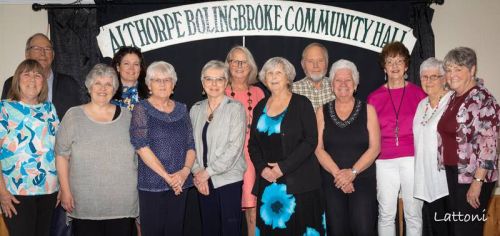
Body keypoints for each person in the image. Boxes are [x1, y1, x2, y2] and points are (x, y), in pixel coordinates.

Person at [55, 64, 138, 236]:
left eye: (108, 84)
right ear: (89, 87)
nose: (103, 88)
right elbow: (61, 155)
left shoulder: (129, 117)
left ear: (114, 89)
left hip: (122, 202)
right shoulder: (73, 116)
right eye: (98, 83)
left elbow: (139, 156)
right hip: (84, 202)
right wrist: (65, 190)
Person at [249, 57, 324, 235]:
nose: (273, 77)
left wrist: (282, 168)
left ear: (288, 77)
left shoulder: (302, 103)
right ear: (265, 79)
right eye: (269, 73)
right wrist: (262, 169)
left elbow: (310, 140)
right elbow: (253, 145)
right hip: (269, 184)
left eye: (278, 73)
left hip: (300, 184)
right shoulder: (260, 107)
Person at [437, 47, 499, 236]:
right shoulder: (453, 99)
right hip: (452, 174)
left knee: (466, 231)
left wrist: (477, 182)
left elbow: (490, 146)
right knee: (455, 230)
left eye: (458, 69)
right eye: (449, 69)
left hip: (472, 176)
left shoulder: (484, 100)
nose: (452, 74)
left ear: (472, 70)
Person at [367, 41, 426, 236]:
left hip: (412, 159)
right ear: (384, 65)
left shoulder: (418, 94)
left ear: (407, 66)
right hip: (384, 161)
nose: (395, 66)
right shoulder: (374, 98)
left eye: (400, 61)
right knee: (386, 214)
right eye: (390, 61)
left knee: (413, 214)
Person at [130, 61, 195, 235]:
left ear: (173, 85)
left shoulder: (182, 109)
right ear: (148, 84)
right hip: (152, 184)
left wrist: (184, 172)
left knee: (175, 231)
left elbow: (191, 145)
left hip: (180, 184)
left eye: (167, 80)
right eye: (157, 80)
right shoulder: (141, 108)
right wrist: (167, 177)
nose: (162, 84)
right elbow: (141, 147)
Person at [315, 59, 380, 235]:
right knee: (336, 230)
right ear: (331, 84)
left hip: (362, 179)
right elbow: (318, 149)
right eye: (338, 80)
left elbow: (375, 148)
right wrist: (340, 176)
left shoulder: (369, 110)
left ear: (356, 84)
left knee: (363, 229)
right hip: (332, 180)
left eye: (348, 80)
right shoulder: (321, 111)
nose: (343, 84)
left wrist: (352, 173)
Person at [0, 59, 59, 236]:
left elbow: (60, 149)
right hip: (15, 193)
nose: (32, 79)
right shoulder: (4, 108)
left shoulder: (49, 108)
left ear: (43, 82)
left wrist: (63, 185)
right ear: (17, 80)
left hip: (49, 190)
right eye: (27, 74)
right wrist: (2, 192)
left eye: (38, 75)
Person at [190, 60, 246, 236]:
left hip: (227, 180)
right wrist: (198, 172)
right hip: (203, 181)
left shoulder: (235, 108)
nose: (214, 84)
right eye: (209, 79)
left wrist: (207, 172)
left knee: (230, 230)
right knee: (209, 229)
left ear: (226, 82)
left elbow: (235, 148)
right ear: (202, 82)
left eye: (219, 79)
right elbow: (189, 145)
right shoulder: (195, 109)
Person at [224, 45, 265, 236]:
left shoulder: (258, 93)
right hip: (225, 159)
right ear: (228, 64)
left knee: (253, 213)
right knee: (227, 214)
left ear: (251, 67)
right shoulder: (219, 90)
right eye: (235, 61)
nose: (239, 65)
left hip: (252, 158)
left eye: (244, 61)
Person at [1, 33, 86, 119]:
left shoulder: (69, 84)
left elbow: (78, 119)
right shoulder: (11, 84)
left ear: (53, 55)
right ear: (27, 54)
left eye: (47, 49)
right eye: (37, 48)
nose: (42, 53)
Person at [412, 57, 452, 236]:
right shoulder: (422, 105)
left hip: (448, 179)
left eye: (433, 77)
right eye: (424, 77)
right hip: (428, 179)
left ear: (443, 78)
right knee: (438, 229)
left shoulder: (452, 102)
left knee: (453, 228)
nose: (428, 81)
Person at [292, 42, 335, 111]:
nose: (315, 66)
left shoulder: (338, 87)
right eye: (310, 61)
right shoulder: (292, 90)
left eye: (320, 61)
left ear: (327, 63)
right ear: (303, 64)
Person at [111, 46, 149, 110]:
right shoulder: (108, 93)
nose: (131, 68)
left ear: (140, 68)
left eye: (136, 64)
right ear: (118, 67)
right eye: (126, 64)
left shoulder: (151, 92)